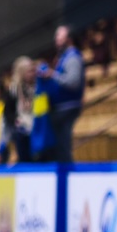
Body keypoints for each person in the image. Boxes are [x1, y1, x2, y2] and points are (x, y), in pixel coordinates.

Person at [41, 25, 84, 164]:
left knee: (63, 147)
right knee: (59, 147)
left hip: (67, 108)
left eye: (59, 36)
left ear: (69, 39)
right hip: (60, 108)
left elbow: (73, 82)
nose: (56, 39)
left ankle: (66, 177)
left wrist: (52, 74)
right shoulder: (64, 57)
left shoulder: (72, 57)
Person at [7, 56, 54, 163]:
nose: (32, 74)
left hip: (40, 129)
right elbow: (8, 112)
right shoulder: (14, 89)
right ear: (22, 73)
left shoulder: (40, 85)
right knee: (26, 160)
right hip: (23, 131)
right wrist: (15, 120)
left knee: (42, 159)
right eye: (29, 72)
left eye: (33, 70)